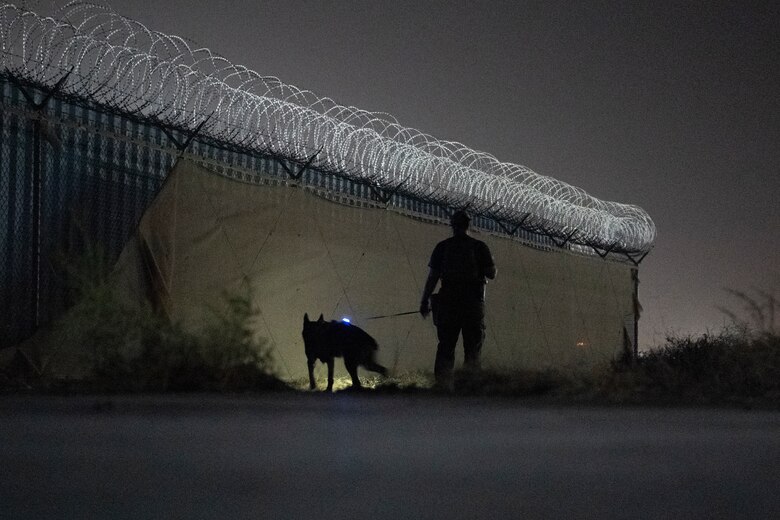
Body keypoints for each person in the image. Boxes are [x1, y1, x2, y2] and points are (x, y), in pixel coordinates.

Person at [419, 210, 496, 389]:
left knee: (446, 346)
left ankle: (443, 385)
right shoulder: (479, 247)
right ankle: (469, 385)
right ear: (469, 225)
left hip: (448, 303)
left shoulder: (443, 247)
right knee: (473, 348)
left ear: (452, 226)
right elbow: (491, 273)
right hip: (472, 303)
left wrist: (424, 301)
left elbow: (433, 276)